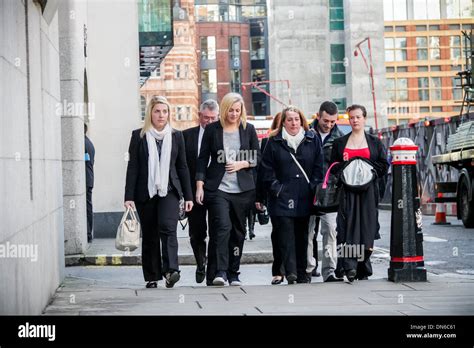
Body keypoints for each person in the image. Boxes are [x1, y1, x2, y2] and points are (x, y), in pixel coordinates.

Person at [124, 96, 193, 289]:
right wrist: (128, 196)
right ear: (150, 114)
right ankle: (152, 276)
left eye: (164, 111)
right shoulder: (138, 136)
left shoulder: (177, 136)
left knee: (168, 227)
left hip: (169, 190)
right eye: (157, 111)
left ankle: (171, 271)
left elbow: (183, 167)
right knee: (150, 233)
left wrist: (188, 196)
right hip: (145, 192)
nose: (161, 115)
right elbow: (133, 167)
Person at [195, 92, 260, 286]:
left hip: (242, 190)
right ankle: (220, 272)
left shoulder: (248, 129)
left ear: (242, 111)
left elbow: (258, 157)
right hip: (218, 188)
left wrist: (242, 164)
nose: (233, 114)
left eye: (237, 110)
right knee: (222, 227)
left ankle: (234, 272)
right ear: (224, 110)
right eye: (230, 110)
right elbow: (202, 158)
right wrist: (200, 185)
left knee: (238, 232)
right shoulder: (213, 129)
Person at [260, 105, 323, 284]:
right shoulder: (274, 141)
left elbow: (319, 167)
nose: (294, 123)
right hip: (281, 197)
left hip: (305, 195)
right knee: (285, 236)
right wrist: (276, 188)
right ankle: (291, 272)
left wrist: (315, 187)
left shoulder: (313, 139)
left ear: (302, 121)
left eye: (296, 119)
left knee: (303, 236)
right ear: (283, 122)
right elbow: (266, 169)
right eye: (289, 119)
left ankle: (302, 272)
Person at [330, 104, 389, 282]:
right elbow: (333, 167)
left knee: (367, 230)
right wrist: (345, 166)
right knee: (346, 229)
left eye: (358, 117)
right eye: (351, 117)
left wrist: (366, 167)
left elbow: (384, 166)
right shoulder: (340, 143)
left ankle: (362, 265)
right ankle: (349, 267)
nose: (354, 120)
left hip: (368, 193)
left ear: (364, 118)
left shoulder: (375, 142)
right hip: (347, 193)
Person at [183, 99, 219, 284]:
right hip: (192, 191)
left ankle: (213, 269)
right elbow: (180, 166)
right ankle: (200, 262)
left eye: (213, 118)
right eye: (206, 118)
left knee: (216, 230)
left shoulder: (223, 135)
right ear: (199, 116)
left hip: (216, 191)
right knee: (196, 232)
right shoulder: (186, 136)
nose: (209, 122)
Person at [308, 101, 345, 282]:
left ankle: (329, 270)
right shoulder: (306, 133)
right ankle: (307, 269)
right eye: (326, 121)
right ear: (318, 115)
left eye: (332, 121)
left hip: (330, 192)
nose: (329, 125)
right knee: (307, 231)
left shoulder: (340, 138)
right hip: (307, 190)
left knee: (330, 230)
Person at [256, 112, 285, 284]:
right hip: (276, 194)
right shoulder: (268, 142)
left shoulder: (304, 140)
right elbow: (262, 171)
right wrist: (260, 197)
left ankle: (297, 269)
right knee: (279, 233)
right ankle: (278, 270)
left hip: (298, 194)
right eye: (284, 122)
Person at [84, 123, 95, 243]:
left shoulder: (84, 143)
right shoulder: (88, 142)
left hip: (86, 179)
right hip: (89, 178)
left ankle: (88, 234)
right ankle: (88, 234)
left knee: (87, 207)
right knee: (88, 206)